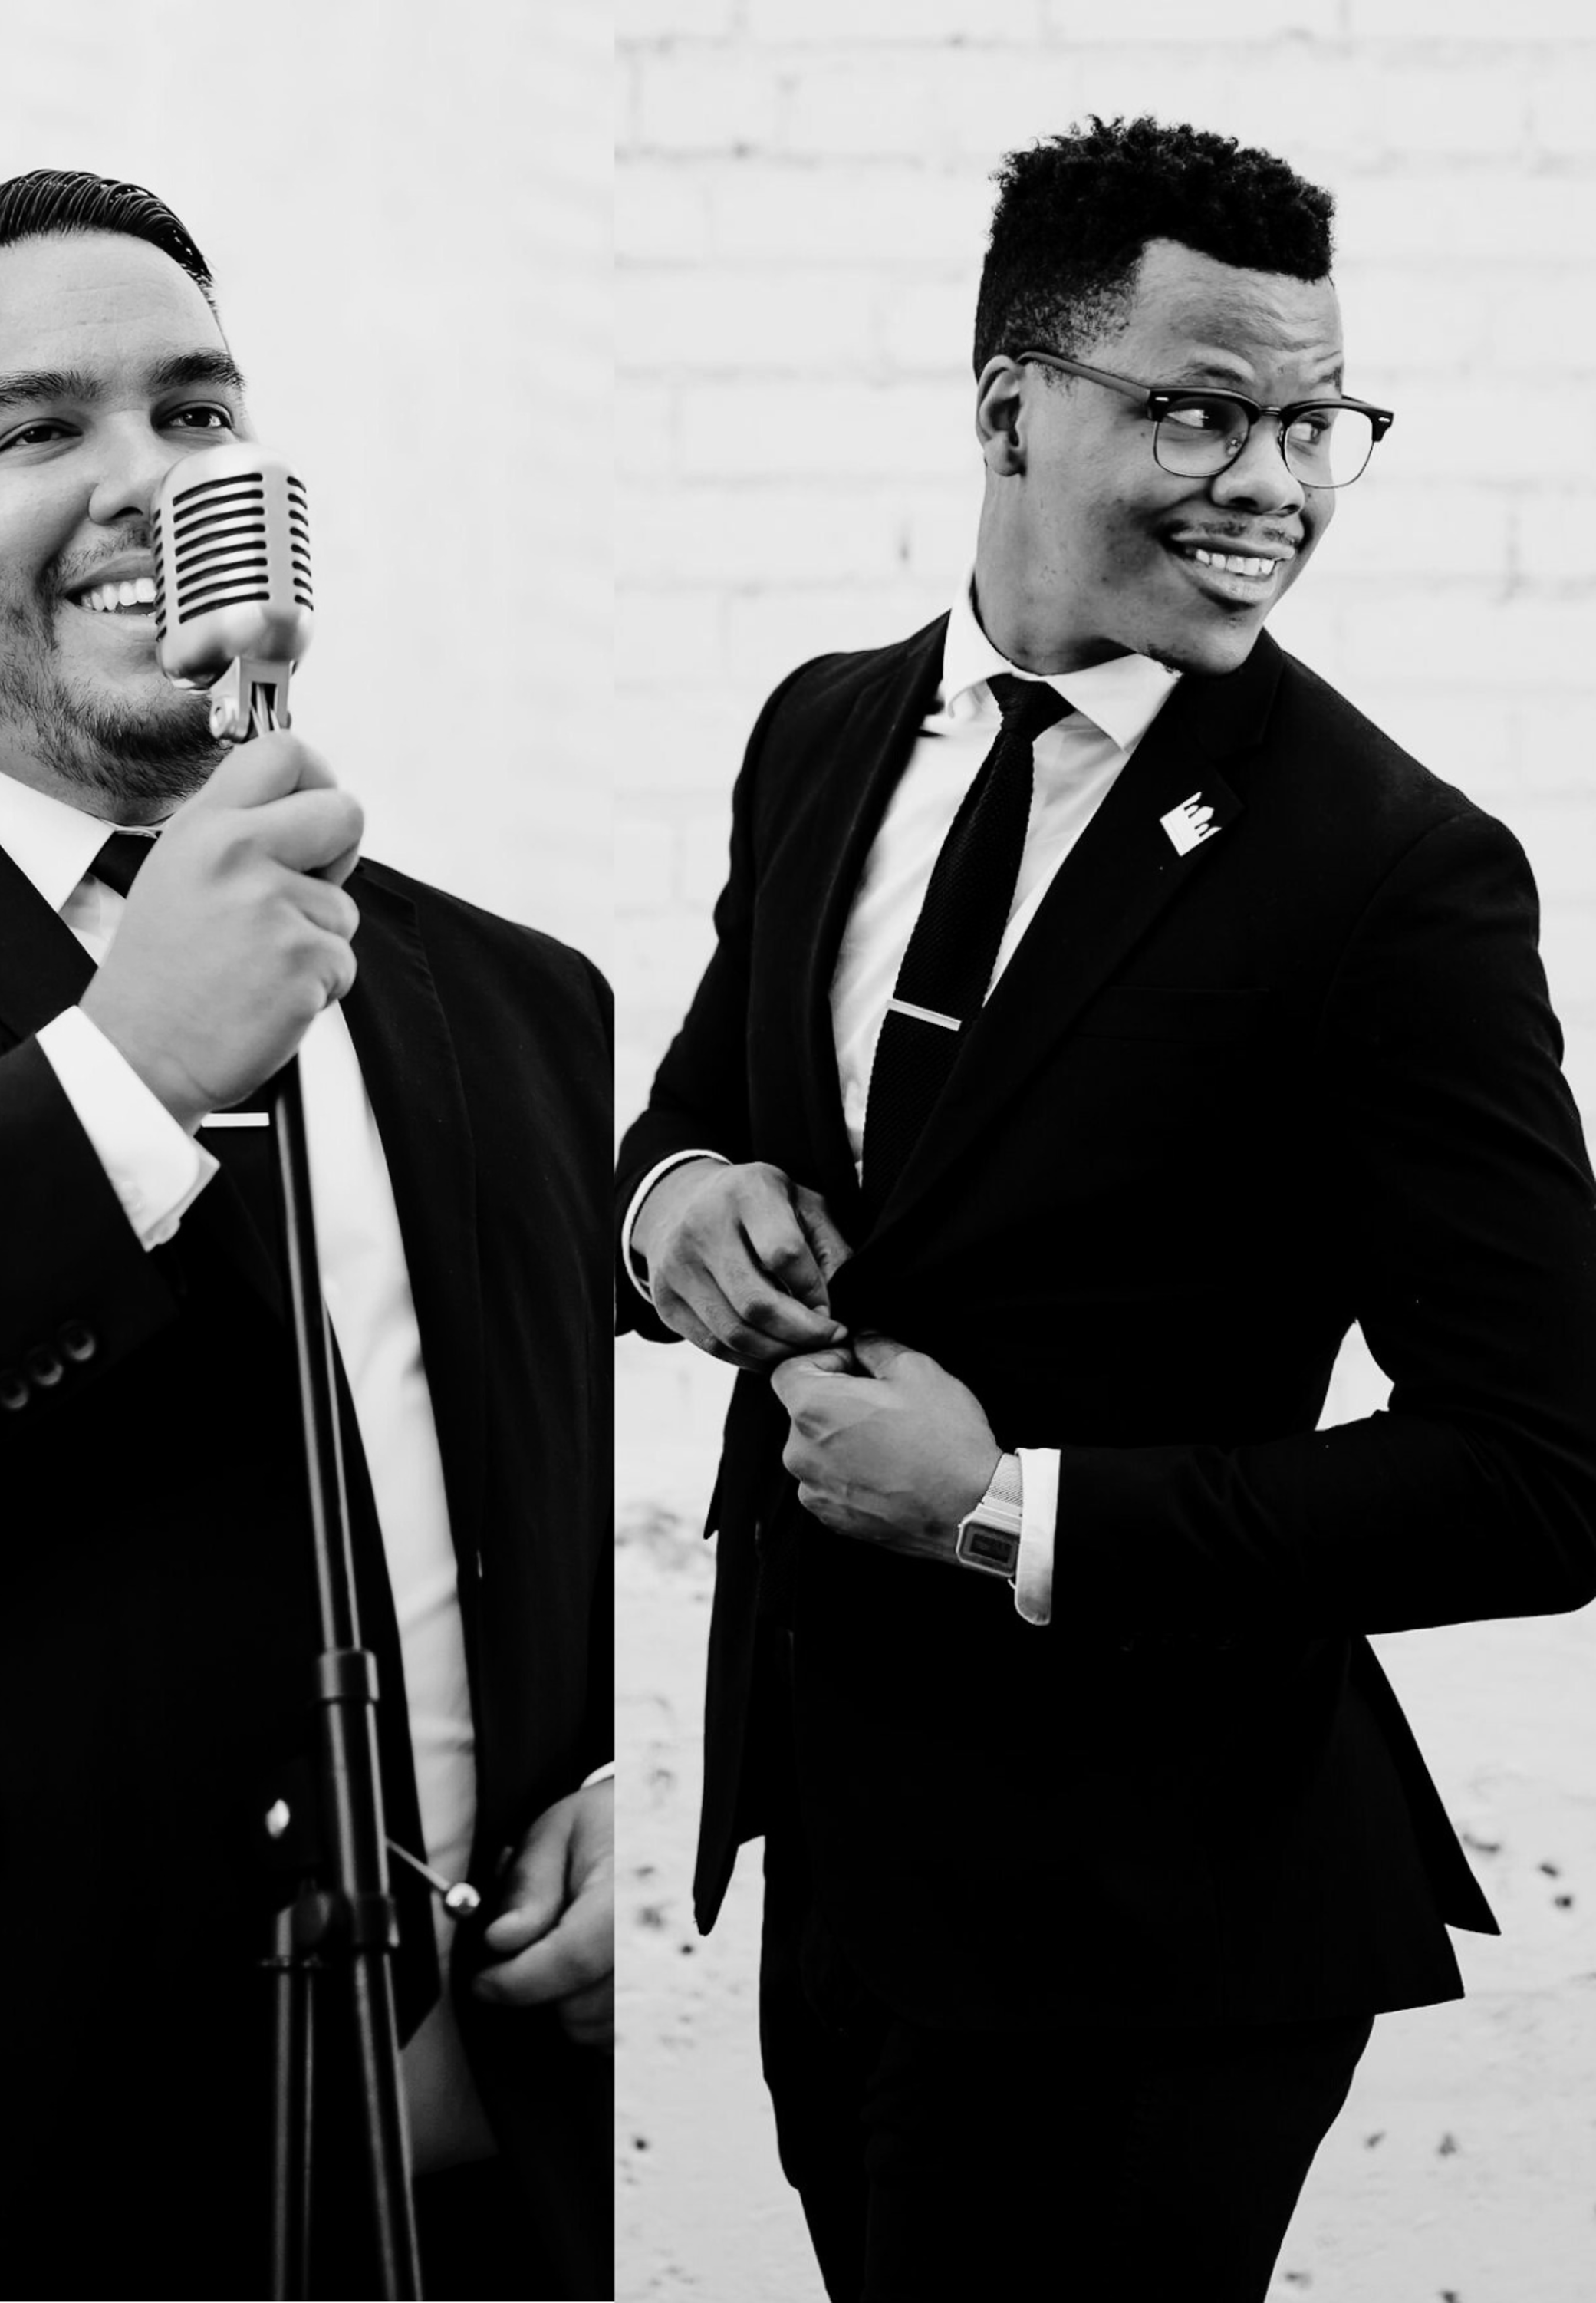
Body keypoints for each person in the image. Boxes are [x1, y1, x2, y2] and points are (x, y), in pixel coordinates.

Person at [615, 115, 1596, 2303]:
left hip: (1163, 1928)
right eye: (1203, 409)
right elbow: (691, 1113)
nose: (1277, 482)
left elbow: (1547, 1479)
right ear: (1008, 405)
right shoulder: (823, 734)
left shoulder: (1394, 877)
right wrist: (672, 1206)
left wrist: (1008, 1513)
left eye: (1317, 419)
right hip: (839, 1869)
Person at [0, 171, 610, 2301]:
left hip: (482, 2200)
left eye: (193, 414)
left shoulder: (526, 1007)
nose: (143, 481)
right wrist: (123, 1079)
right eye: (38, 430)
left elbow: (575, 1519)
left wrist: (628, 1782)